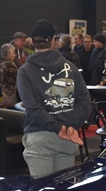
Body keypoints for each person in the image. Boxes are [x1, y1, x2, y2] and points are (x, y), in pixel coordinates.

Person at [17, 19, 91, 177]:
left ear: (32, 41)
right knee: (63, 188)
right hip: (67, 137)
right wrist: (72, 125)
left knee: (42, 189)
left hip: (40, 136)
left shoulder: (25, 71)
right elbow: (84, 101)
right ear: (53, 40)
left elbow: (32, 107)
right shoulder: (71, 68)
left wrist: (57, 128)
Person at [0, 43, 19, 108]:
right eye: (13, 53)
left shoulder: (0, 64)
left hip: (5, 92)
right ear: (8, 53)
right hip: (13, 93)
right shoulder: (9, 64)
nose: (15, 55)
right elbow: (17, 76)